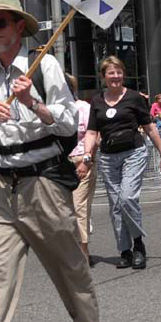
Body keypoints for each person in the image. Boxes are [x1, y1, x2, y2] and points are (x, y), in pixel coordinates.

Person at [0, 0, 100, 322]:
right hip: (1, 187)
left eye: (1, 22)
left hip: (44, 184)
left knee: (70, 269)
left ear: (19, 26)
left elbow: (70, 122)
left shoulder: (45, 64)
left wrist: (33, 102)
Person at [77, 56, 161, 270]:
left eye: (119, 72)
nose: (116, 76)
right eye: (111, 72)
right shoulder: (97, 101)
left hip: (133, 152)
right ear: (103, 76)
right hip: (108, 157)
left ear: (123, 74)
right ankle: (124, 251)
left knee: (127, 198)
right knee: (116, 205)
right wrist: (87, 156)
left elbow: (150, 128)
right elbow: (92, 132)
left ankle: (138, 245)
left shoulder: (135, 97)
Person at [66, 74, 98, 266]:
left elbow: (93, 135)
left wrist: (86, 161)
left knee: (80, 208)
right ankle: (70, 250)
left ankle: (83, 251)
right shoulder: (53, 109)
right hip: (59, 164)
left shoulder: (84, 108)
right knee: (62, 211)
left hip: (80, 161)